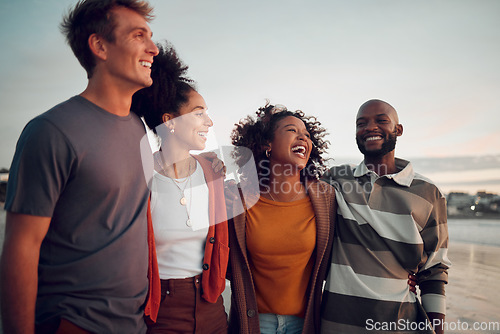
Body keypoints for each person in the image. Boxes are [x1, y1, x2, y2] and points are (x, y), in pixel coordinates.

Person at [0, 1, 159, 333]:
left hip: (134, 324)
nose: (153, 48)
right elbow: (20, 248)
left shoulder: (139, 130)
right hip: (73, 324)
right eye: (138, 35)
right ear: (99, 46)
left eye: (151, 37)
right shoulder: (51, 131)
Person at [320, 99, 450, 334]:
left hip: (400, 325)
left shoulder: (428, 192)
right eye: (362, 123)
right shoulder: (336, 179)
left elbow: (434, 268)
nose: (370, 127)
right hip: (335, 324)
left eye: (381, 120)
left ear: (398, 130)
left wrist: (437, 328)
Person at [131, 42, 229, 333]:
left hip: (212, 307)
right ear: (170, 122)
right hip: (159, 312)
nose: (209, 122)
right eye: (199, 113)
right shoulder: (138, 177)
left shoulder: (213, 172)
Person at [227, 103, 337, 334]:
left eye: (307, 135)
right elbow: (223, 260)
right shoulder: (239, 199)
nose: (303, 138)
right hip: (255, 323)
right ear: (267, 144)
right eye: (292, 131)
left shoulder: (326, 198)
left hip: (304, 323)